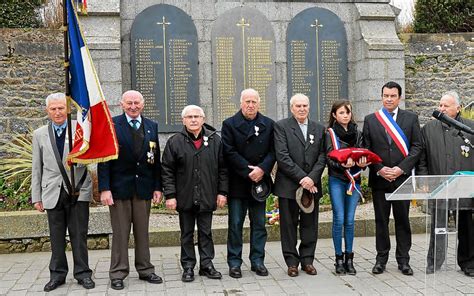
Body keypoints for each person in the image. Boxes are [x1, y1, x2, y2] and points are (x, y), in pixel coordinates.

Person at [98, 90, 163, 290]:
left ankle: (145, 270)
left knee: (142, 232)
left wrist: (157, 187)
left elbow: (155, 159)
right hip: (119, 189)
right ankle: (118, 273)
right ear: (121, 104)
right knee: (120, 232)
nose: (133, 106)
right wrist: (104, 189)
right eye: (129, 103)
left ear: (143, 104)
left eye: (136, 103)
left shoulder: (151, 126)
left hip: (143, 188)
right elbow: (104, 160)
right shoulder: (112, 124)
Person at [31, 92, 95, 292]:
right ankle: (57, 275)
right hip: (52, 192)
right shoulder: (39, 134)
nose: (58, 112)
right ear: (47, 111)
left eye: (61, 108)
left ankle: (83, 273)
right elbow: (36, 167)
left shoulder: (81, 128)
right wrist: (36, 197)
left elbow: (94, 156)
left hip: (78, 190)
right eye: (53, 109)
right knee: (56, 237)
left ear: (68, 109)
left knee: (79, 235)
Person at [161, 105, 228, 282]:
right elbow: (167, 170)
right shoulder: (175, 142)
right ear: (183, 120)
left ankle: (206, 264)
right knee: (187, 233)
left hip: (207, 194)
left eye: (197, 116)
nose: (193, 120)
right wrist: (170, 195)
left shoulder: (215, 140)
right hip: (185, 196)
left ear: (203, 119)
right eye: (189, 117)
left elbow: (223, 169)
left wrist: (222, 192)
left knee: (206, 232)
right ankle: (188, 266)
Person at [363, 81, 422, 276]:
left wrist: (401, 169)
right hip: (380, 180)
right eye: (386, 95)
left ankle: (404, 260)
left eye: (393, 96)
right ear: (382, 97)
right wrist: (379, 169)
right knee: (381, 221)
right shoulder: (371, 120)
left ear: (400, 97)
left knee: (402, 220)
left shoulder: (411, 118)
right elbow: (367, 149)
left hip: (401, 179)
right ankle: (381, 259)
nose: (389, 99)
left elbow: (417, 147)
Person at [417, 91, 474, 277]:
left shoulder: (470, 128)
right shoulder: (428, 128)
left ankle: (468, 262)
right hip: (439, 185)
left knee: (466, 226)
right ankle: (434, 261)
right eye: (440, 105)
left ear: (458, 108)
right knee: (438, 226)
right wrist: (423, 179)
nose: (441, 108)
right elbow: (422, 158)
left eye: (446, 106)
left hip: (464, 187)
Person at [221, 88, 276, 278]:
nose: (251, 105)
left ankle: (257, 261)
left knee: (259, 224)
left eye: (254, 102)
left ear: (259, 103)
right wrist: (248, 170)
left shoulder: (269, 124)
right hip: (239, 182)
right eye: (247, 102)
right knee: (235, 225)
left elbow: (273, 151)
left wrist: (262, 169)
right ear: (241, 103)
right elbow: (228, 152)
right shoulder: (229, 124)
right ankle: (234, 262)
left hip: (260, 182)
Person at [273, 93, 327, 277]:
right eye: (298, 106)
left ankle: (307, 261)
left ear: (309, 107)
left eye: (305, 106)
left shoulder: (319, 128)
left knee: (309, 225)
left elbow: (322, 156)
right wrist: (303, 178)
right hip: (289, 186)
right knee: (288, 226)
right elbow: (282, 156)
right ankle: (291, 262)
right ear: (291, 108)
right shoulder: (281, 127)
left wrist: (311, 178)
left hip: (311, 186)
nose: (302, 109)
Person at [325, 100, 370, 275]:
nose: (345, 115)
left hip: (354, 180)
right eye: (342, 113)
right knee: (339, 219)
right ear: (335, 115)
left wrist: (363, 163)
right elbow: (328, 158)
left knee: (350, 221)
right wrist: (341, 165)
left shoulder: (357, 133)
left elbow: (363, 154)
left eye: (348, 112)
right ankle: (338, 259)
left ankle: (349, 258)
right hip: (337, 179)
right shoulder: (329, 134)